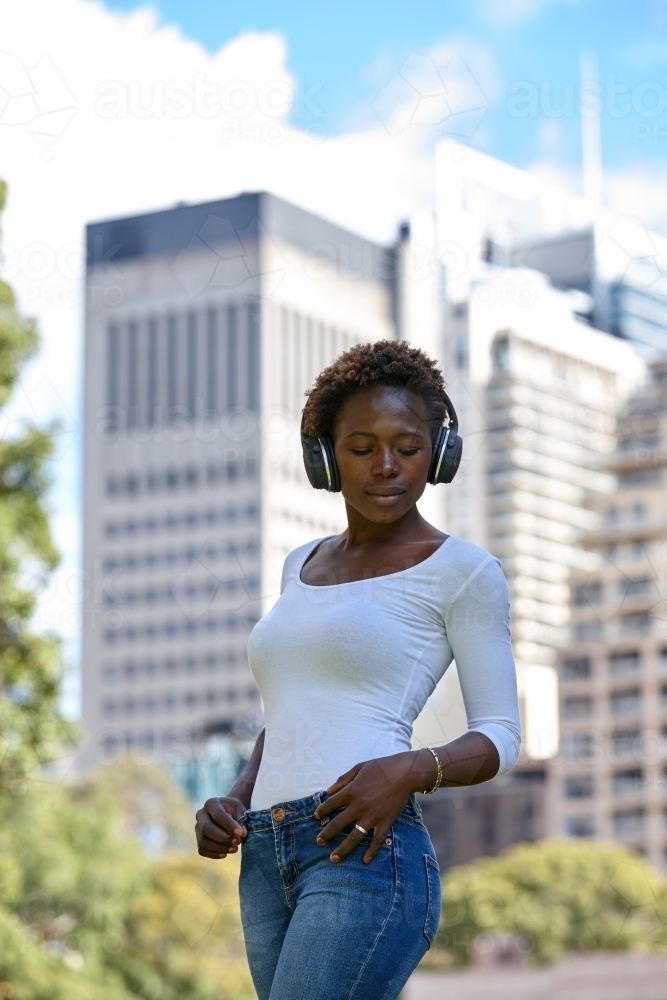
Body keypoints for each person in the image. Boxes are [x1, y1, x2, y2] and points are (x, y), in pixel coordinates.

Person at [195, 340, 521, 1000]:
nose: (386, 467)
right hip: (265, 851)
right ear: (324, 458)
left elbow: (500, 737)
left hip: (365, 852)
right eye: (361, 447)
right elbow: (288, 717)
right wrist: (236, 794)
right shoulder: (299, 564)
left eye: (407, 445)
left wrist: (407, 770)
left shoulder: (462, 572)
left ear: (439, 454)